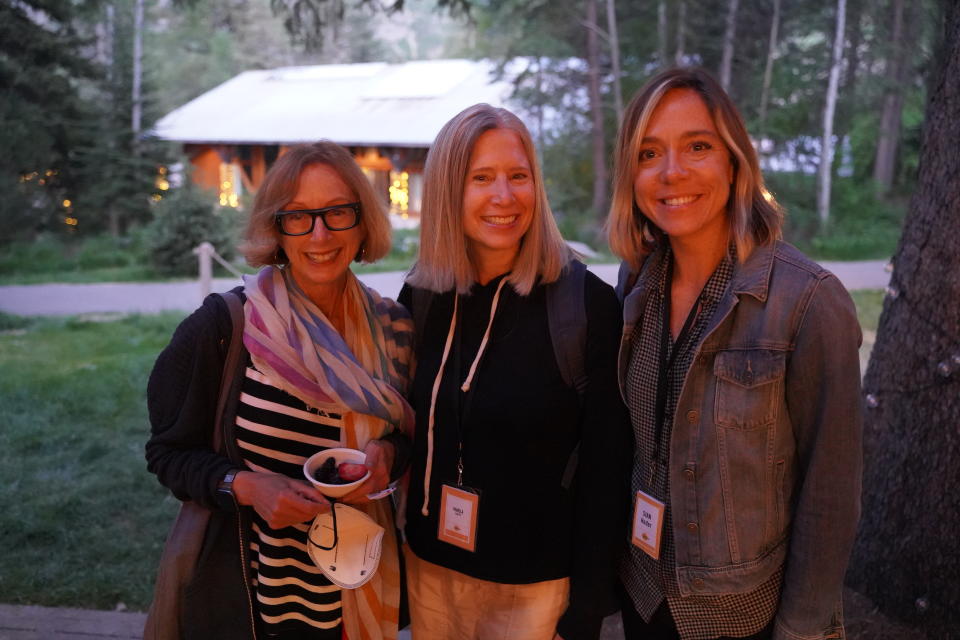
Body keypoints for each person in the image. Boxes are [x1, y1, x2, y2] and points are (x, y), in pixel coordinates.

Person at [607, 67, 863, 640]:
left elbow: (832, 492)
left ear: (734, 160)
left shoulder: (808, 302)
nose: (673, 172)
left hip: (741, 616)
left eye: (697, 146)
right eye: (650, 153)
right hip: (643, 597)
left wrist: (800, 630)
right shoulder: (638, 283)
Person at [145, 141, 414, 640]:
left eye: (338, 212)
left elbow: (409, 435)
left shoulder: (394, 327)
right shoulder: (227, 326)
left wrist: (387, 455)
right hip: (253, 598)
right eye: (298, 216)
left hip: (359, 589)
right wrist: (247, 487)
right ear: (276, 228)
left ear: (362, 224)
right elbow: (167, 453)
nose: (319, 233)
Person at [398, 103, 631, 640]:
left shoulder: (584, 306)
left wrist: (589, 602)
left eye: (518, 176)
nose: (504, 197)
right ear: (447, 191)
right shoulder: (425, 295)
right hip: (431, 567)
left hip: (536, 588)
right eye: (481, 178)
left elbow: (607, 466)